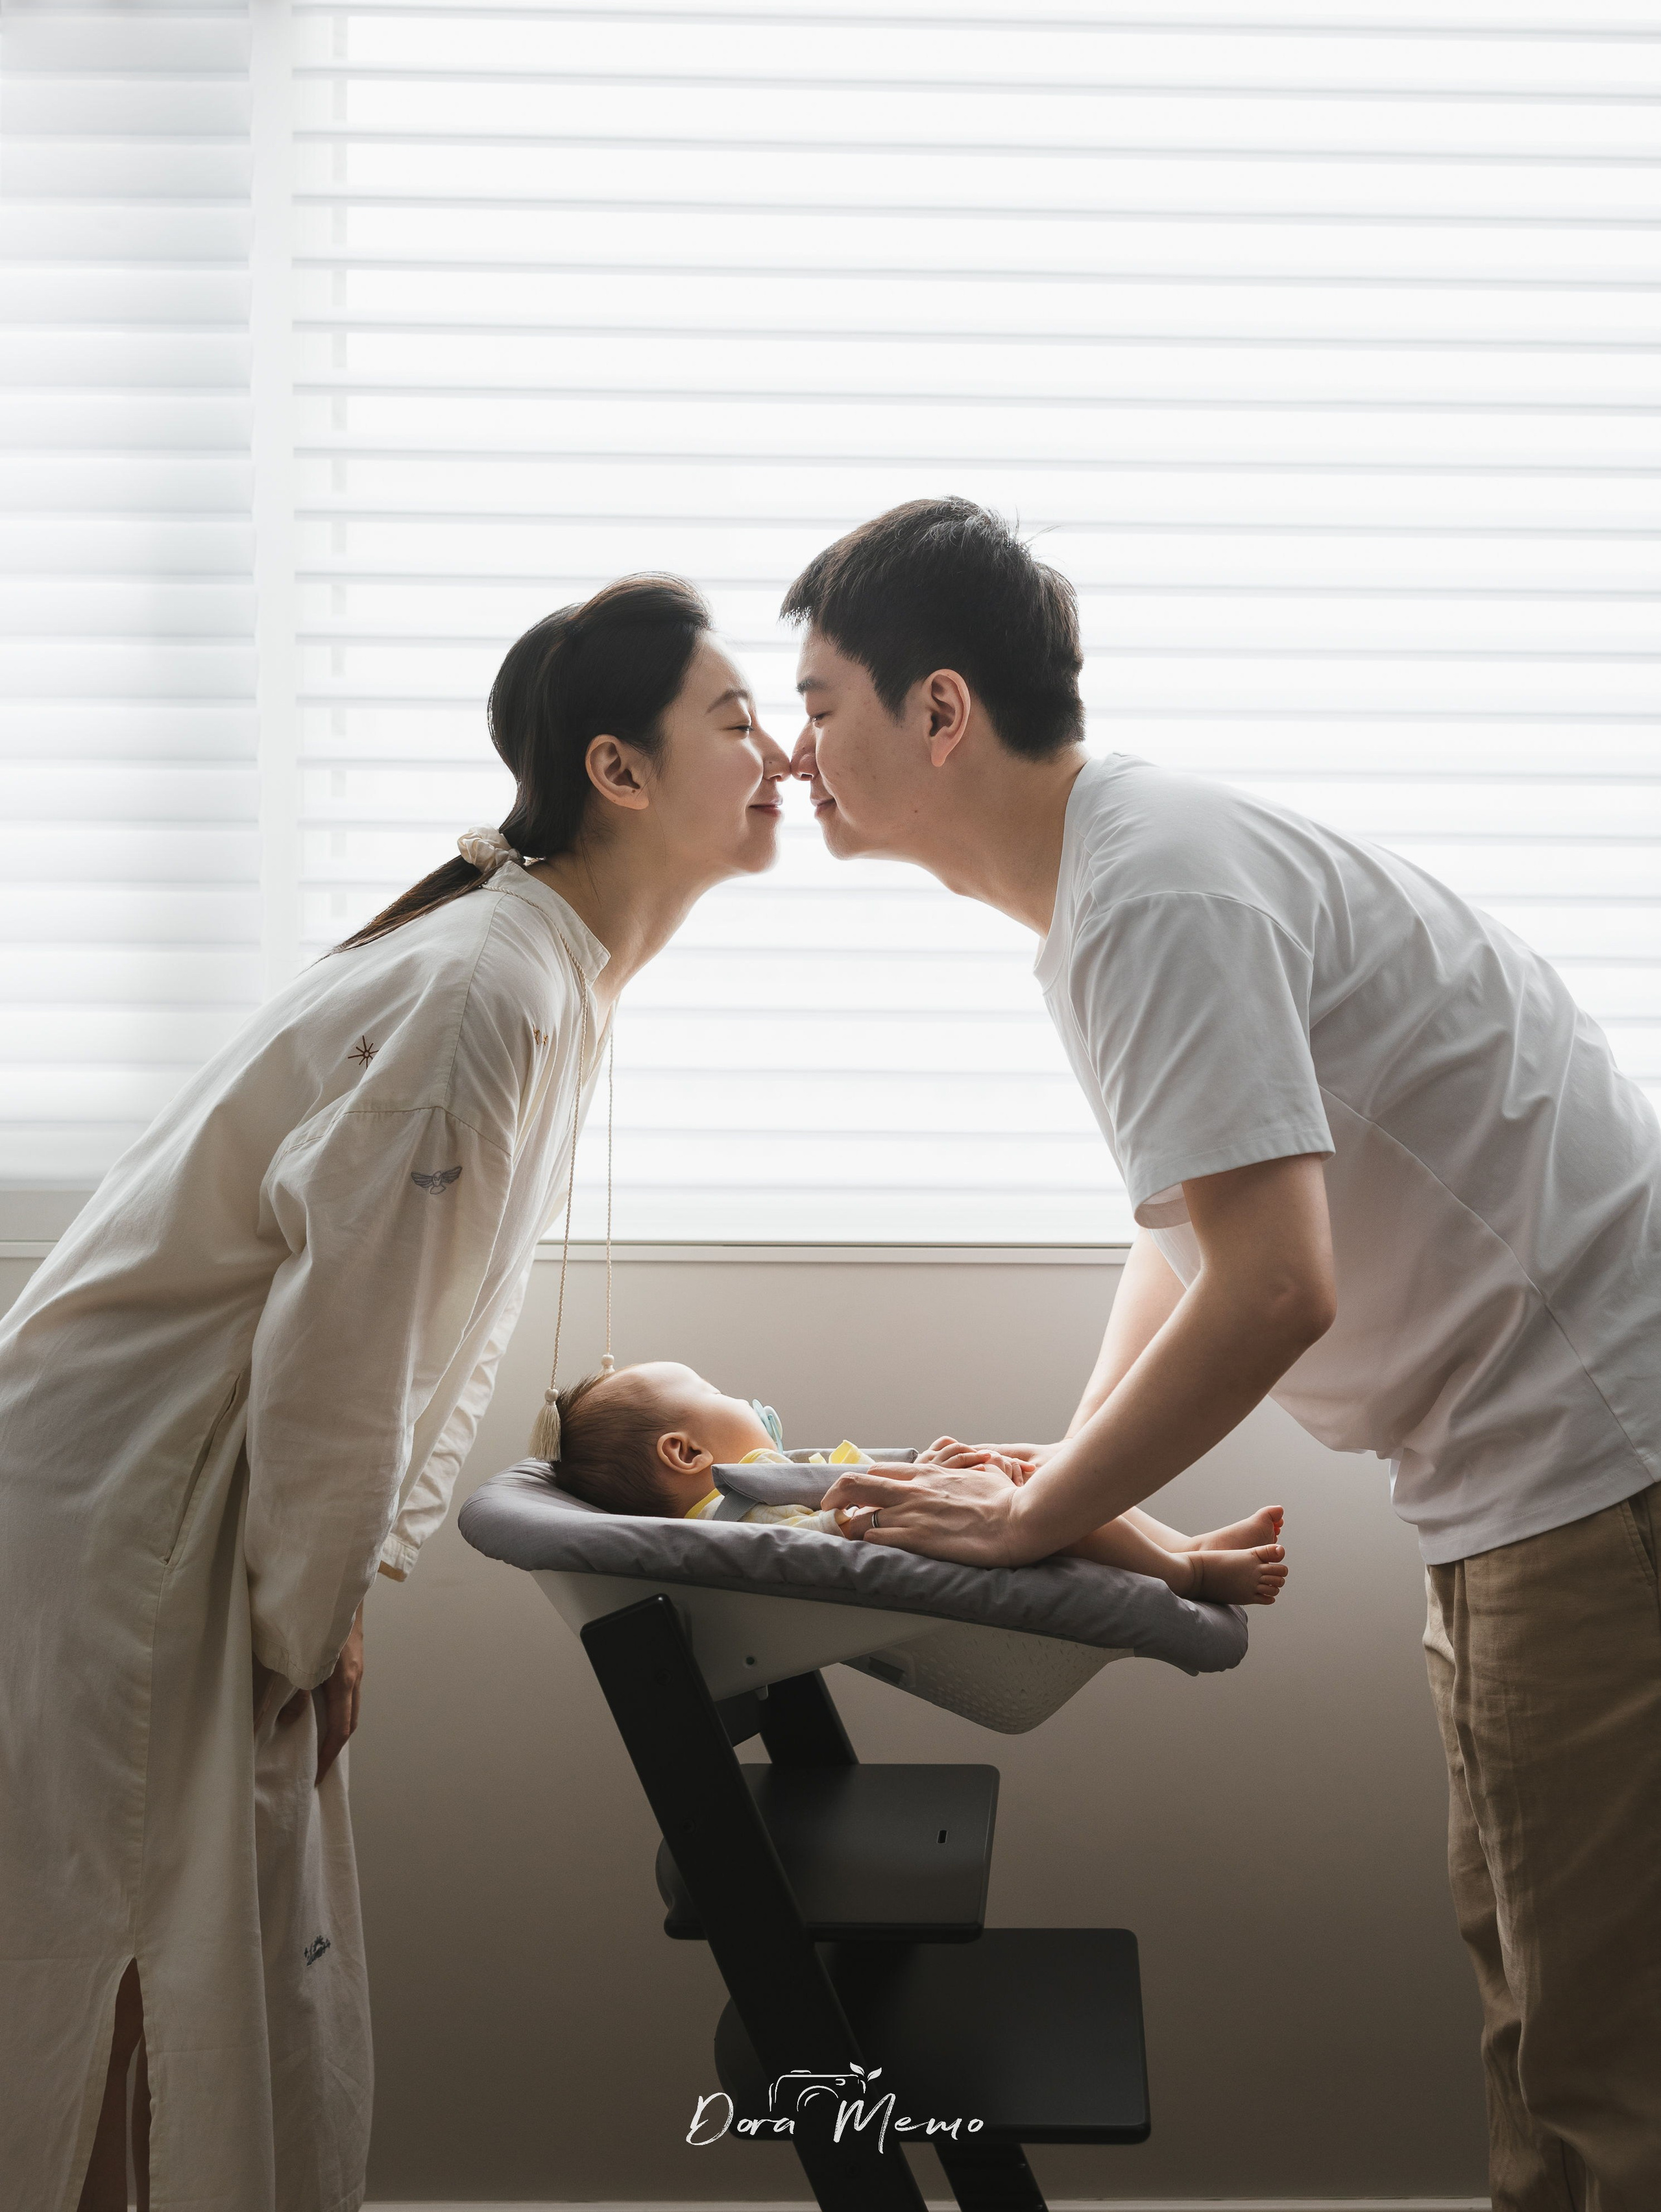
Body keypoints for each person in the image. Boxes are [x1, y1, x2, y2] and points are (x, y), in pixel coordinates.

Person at [782, 498, 1661, 2212]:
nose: (797, 751)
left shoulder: (1152, 894)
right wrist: (1070, 1458)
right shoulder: (1118, 882)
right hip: (1545, 1471)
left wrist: (1041, 1518)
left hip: (1587, 1468)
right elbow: (1185, 1231)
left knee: (1592, 2067)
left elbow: (1274, 1293)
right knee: (1541, 2016)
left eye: (819, 705)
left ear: (938, 712)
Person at [0, 577, 791, 2211]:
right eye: (733, 716)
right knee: (131, 1971)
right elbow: (347, 1354)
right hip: (125, 1531)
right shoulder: (484, 990)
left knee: (179, 1968)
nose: (776, 749)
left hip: (169, 1514)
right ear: (617, 771)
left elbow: (402, 1344)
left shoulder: (533, 975)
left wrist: (343, 1589)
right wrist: (311, 1622)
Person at [544, 1358, 1289, 1602]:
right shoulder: (729, 1511)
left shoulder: (761, 1478)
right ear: (683, 1452)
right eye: (721, 1392)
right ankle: (1184, 1570)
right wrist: (863, 1510)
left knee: (1042, 1471)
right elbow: (803, 1535)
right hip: (924, 1541)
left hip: (922, 1520)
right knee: (1049, 1501)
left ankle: (1187, 1540)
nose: (749, 1401)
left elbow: (843, 1491)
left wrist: (928, 1471)